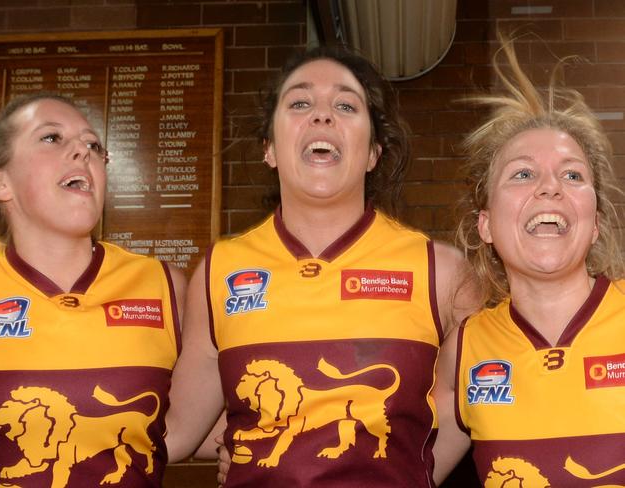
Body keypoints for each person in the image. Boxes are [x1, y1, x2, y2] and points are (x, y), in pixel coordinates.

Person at [165, 46, 478, 487]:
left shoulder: (442, 271)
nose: (322, 116)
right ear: (269, 148)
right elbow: (178, 431)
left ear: (372, 153)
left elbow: (471, 409)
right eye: (299, 102)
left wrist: (414, 474)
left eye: (346, 105)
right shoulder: (218, 272)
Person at [432, 35, 625, 486]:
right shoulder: (464, 350)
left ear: (594, 222)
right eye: (522, 173)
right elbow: (397, 469)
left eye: (572, 174)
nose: (550, 187)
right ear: (486, 225)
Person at [0, 93, 188, 486]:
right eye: (52, 138)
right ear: (1, 182)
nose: (83, 152)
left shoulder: (167, 288)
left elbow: (184, 426)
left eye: (93, 145)